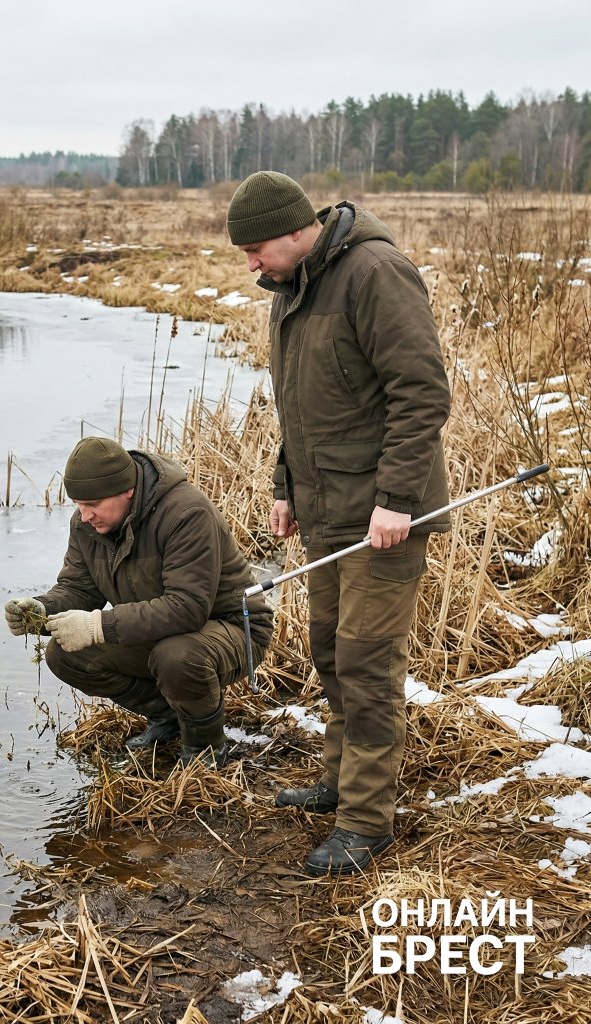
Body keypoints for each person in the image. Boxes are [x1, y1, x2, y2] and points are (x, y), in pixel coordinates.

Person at [226, 171, 451, 876]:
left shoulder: (376, 273)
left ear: (297, 230)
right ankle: (340, 780)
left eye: (257, 247)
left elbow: (422, 393)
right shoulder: (292, 291)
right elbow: (300, 405)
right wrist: (286, 486)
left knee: (367, 663)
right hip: (325, 511)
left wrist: (397, 499)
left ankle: (366, 822)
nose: (251, 264)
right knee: (329, 648)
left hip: (384, 515)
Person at [4, 436, 273, 767]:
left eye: (93, 505)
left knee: (176, 656)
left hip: (232, 627)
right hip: (160, 630)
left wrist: (98, 625)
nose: (84, 516)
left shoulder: (187, 513)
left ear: (126, 490)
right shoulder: (87, 525)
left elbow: (187, 609)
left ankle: (205, 747)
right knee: (64, 654)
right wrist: (42, 610)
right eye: (78, 504)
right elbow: (79, 588)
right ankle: (170, 717)